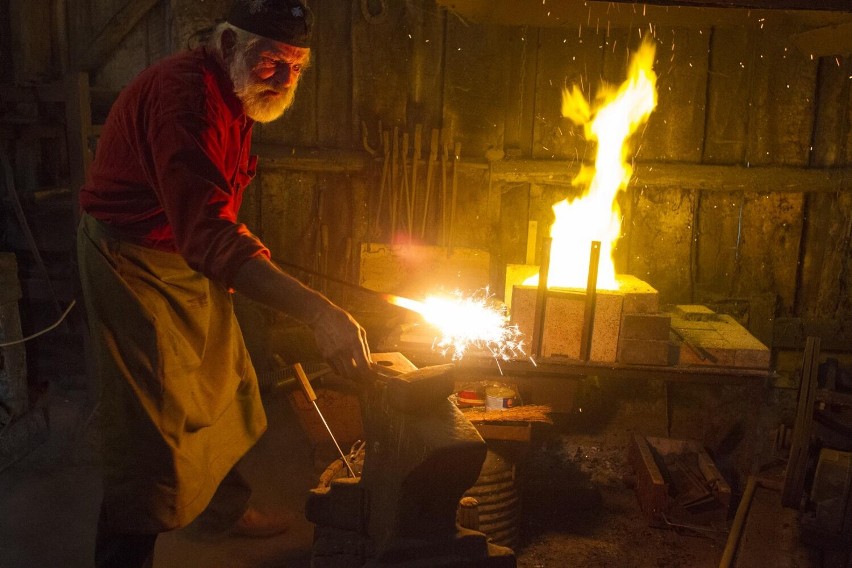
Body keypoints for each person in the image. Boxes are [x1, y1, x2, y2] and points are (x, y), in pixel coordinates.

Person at [75, 1, 372, 566]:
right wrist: (318, 311)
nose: (285, 79)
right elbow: (207, 229)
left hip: (183, 257)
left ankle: (224, 510)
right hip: (133, 265)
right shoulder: (185, 100)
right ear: (230, 44)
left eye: (297, 66)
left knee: (227, 387)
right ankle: (122, 556)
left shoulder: (236, 94)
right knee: (149, 435)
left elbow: (212, 209)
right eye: (272, 62)